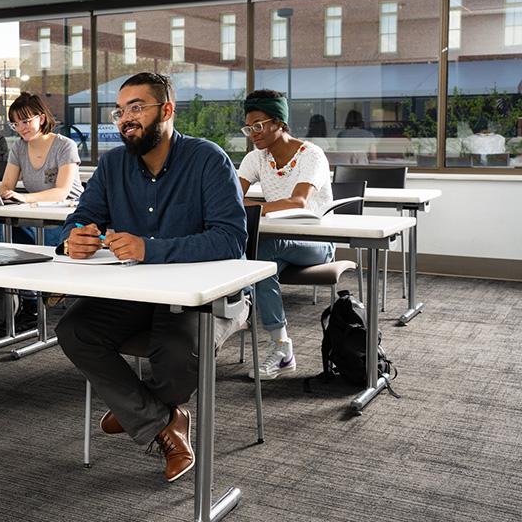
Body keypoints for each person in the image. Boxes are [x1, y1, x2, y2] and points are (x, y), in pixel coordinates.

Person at [55, 72, 248, 483]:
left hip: (203, 297)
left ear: (167, 110)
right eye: (119, 111)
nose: (125, 118)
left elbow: (231, 239)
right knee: (75, 329)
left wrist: (150, 248)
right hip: (137, 291)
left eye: (137, 107)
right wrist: (75, 237)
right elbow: (81, 217)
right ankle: (164, 421)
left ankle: (138, 411)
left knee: (178, 355)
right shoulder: (112, 165)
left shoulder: (208, 160)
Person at [237, 89, 334, 380]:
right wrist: (245, 204)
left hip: (317, 243)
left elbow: (298, 202)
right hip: (277, 244)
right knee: (259, 264)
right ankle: (281, 347)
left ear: (279, 123)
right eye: (248, 128)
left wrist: (250, 206)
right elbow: (231, 197)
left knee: (260, 252)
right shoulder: (256, 158)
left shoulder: (311, 155)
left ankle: (238, 313)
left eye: (258, 125)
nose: (252, 133)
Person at [0, 92, 83, 246]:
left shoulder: (65, 145)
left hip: (69, 212)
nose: (20, 128)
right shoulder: (18, 147)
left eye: (25, 122)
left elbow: (61, 192)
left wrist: (25, 198)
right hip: (36, 210)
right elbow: (6, 185)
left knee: (47, 241)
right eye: (15, 124)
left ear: (41, 119)